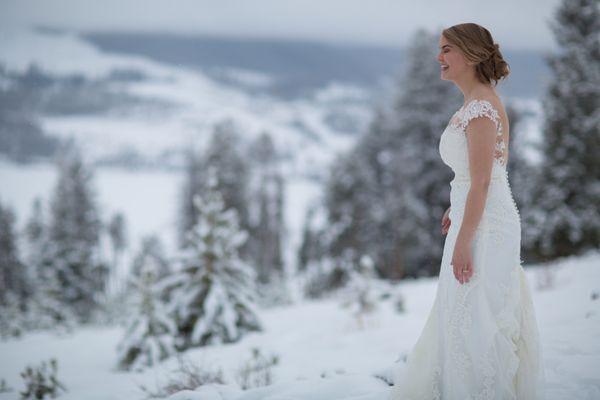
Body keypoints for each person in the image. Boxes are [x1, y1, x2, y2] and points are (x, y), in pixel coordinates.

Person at [389, 23, 546, 399]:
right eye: (439, 50)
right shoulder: (475, 102)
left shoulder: (480, 109)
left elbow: (483, 182)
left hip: (486, 228)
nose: (438, 57)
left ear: (471, 55)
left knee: (476, 320)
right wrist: (454, 205)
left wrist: (463, 240)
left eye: (446, 50)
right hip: (474, 216)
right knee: (461, 317)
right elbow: (475, 176)